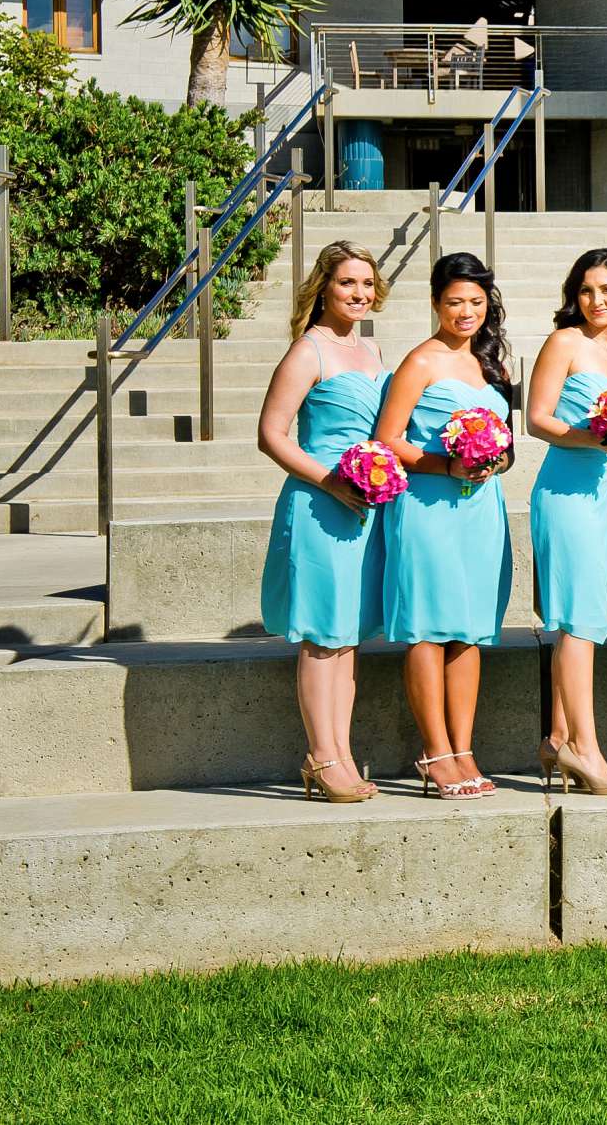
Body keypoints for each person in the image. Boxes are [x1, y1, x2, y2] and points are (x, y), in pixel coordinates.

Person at [377, 252, 517, 799]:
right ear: (436, 302)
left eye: (476, 302)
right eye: (455, 301)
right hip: (428, 507)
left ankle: (464, 748)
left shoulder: (491, 366)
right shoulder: (421, 362)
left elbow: (505, 442)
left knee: (468, 631)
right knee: (428, 628)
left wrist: (492, 459)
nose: (465, 312)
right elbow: (389, 438)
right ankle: (434, 751)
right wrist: (447, 463)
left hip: (481, 509)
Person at [256, 241, 389, 804]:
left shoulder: (374, 350)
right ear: (324, 288)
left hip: (365, 507)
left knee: (348, 638)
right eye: (346, 284)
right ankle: (322, 755)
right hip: (319, 503)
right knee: (321, 636)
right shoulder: (308, 352)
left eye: (365, 284)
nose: (357, 294)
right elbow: (271, 434)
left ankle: (341, 751)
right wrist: (331, 480)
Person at [526, 248, 607, 797]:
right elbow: (537, 419)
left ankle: (557, 735)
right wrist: (590, 434)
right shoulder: (564, 343)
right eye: (587, 290)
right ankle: (585, 750)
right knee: (577, 619)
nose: (597, 301)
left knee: (590, 615)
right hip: (568, 491)